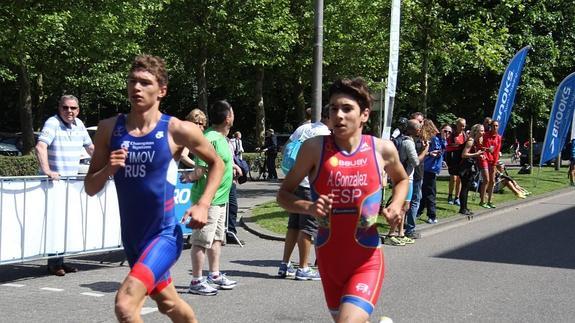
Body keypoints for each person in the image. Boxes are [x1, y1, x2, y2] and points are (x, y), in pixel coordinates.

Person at [84, 55, 224, 322]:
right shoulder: (108, 129)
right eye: (132, 81)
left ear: (162, 90)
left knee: (125, 304)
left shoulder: (176, 129)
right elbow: (91, 187)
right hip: (133, 240)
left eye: (145, 83)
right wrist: (109, 169)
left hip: (163, 237)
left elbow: (216, 163)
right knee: (168, 303)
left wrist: (203, 203)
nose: (136, 88)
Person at [277, 77, 408, 322]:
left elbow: (402, 180)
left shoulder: (381, 149)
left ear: (364, 115)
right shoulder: (314, 148)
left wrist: (395, 205)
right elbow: (283, 195)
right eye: (333, 109)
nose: (338, 115)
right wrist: (308, 206)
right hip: (329, 260)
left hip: (366, 258)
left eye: (347, 109)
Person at [35, 94, 94, 276]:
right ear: (59, 108)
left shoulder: (80, 124)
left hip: (69, 183)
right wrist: (47, 170)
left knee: (65, 223)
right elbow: (40, 146)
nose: (69, 111)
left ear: (78, 109)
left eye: (73, 108)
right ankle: (54, 263)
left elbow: (90, 148)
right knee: (54, 223)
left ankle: (61, 259)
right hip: (53, 184)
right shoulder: (52, 123)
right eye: (65, 108)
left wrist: (107, 165)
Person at [187, 100, 238, 296]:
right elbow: (200, 169)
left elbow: (220, 163)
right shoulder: (210, 139)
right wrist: (192, 176)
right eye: (232, 113)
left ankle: (214, 275)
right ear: (227, 118)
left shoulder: (220, 138)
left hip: (220, 199)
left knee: (217, 238)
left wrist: (234, 166)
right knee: (201, 240)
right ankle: (196, 280)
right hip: (208, 199)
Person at [277, 105, 331, 280]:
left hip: (295, 181)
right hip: (310, 185)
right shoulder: (326, 136)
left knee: (293, 225)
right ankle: (303, 268)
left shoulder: (304, 128)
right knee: (307, 228)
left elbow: (286, 148)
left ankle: (284, 265)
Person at [386, 119, 427, 246]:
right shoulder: (408, 143)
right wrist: (425, 150)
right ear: (411, 130)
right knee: (401, 207)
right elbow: (415, 162)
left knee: (404, 207)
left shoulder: (403, 140)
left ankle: (401, 233)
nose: (420, 130)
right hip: (405, 179)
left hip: (402, 177)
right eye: (418, 128)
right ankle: (391, 234)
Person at [419, 121, 448, 224]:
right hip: (429, 167)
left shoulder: (434, 138)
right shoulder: (434, 138)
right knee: (426, 191)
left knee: (429, 192)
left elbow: (438, 151)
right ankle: (423, 212)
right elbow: (438, 151)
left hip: (430, 168)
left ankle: (431, 215)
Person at [404, 112, 426, 239]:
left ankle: (404, 228)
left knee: (411, 201)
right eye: (418, 122)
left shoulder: (419, 137)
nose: (421, 125)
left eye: (422, 122)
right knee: (412, 202)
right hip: (412, 175)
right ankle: (409, 229)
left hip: (417, 173)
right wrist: (425, 150)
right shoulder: (410, 139)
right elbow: (415, 160)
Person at [458, 124, 486, 216]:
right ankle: (463, 208)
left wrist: (479, 155)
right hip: (465, 167)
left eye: (483, 130)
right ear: (476, 131)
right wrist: (476, 155)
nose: (483, 132)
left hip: (469, 167)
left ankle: (464, 207)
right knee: (465, 187)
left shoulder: (476, 141)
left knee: (467, 187)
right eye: (481, 130)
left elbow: (474, 153)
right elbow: (464, 154)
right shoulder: (471, 141)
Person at [480, 119, 502, 208]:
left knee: (492, 181)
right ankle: (482, 201)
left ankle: (490, 200)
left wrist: (496, 161)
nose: (495, 127)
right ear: (490, 126)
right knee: (486, 180)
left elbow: (497, 150)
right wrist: (486, 150)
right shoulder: (485, 135)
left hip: (493, 160)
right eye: (493, 125)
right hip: (485, 159)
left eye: (496, 126)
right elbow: (480, 146)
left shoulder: (499, 137)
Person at [445, 118, 467, 205]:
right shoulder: (452, 135)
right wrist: (457, 147)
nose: (463, 127)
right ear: (457, 125)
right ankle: (450, 195)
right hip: (453, 158)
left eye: (464, 126)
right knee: (453, 178)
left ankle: (457, 197)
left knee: (459, 179)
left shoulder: (465, 135)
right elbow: (448, 147)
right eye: (461, 125)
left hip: (461, 159)